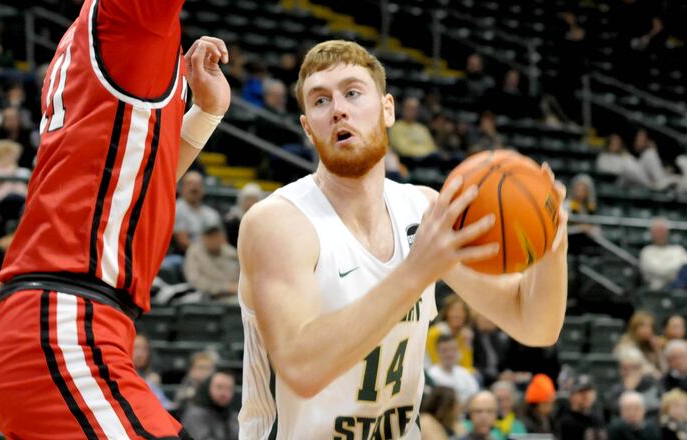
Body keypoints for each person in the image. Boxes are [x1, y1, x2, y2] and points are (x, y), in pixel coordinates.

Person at [237, 40, 569, 439]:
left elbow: (534, 325)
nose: (338, 108)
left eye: (353, 92)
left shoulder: (424, 210)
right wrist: (416, 271)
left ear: (388, 109)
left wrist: (550, 242)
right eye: (320, 101)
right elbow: (302, 369)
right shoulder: (279, 222)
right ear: (308, 128)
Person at [0, 0, 232, 437]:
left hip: (62, 326)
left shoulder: (107, 31)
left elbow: (141, 179)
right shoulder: (129, 16)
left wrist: (206, 115)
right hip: (64, 328)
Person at [183, 218, 239, 301]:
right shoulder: (194, 252)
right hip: (207, 299)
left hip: (233, 297)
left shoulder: (230, 252)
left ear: (223, 236)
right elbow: (194, 280)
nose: (214, 239)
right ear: (202, 237)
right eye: (210, 235)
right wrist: (225, 287)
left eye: (217, 234)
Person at [180, 370, 239, 440]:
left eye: (229, 389)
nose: (224, 393)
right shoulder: (194, 414)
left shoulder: (234, 415)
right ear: (208, 387)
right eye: (219, 387)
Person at [173, 171, 222, 254]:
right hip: (186, 254)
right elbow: (182, 242)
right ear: (182, 188)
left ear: (203, 189)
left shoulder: (211, 213)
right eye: (189, 184)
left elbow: (220, 239)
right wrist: (204, 252)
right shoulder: (176, 208)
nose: (194, 187)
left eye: (198, 184)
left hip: (213, 253)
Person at [604, 348, 662, 417]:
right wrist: (627, 390)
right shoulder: (616, 387)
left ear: (641, 369)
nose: (629, 372)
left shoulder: (650, 384)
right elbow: (611, 407)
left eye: (634, 367)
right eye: (625, 368)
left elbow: (657, 405)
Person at [427, 334, 480, 405]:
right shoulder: (431, 375)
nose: (449, 354)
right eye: (444, 350)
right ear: (437, 352)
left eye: (453, 349)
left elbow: (476, 397)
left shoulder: (465, 373)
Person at [427, 294, 475, 371]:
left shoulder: (465, 335)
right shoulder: (435, 333)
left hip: (456, 374)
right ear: (447, 313)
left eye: (461, 311)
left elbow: (467, 367)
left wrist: (467, 344)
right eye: (453, 311)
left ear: (466, 315)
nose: (457, 314)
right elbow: (437, 363)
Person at [639, 218, 687, 290]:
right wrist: (677, 268)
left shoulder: (678, 249)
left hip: (681, 289)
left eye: (663, 231)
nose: (661, 234)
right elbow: (660, 271)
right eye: (657, 231)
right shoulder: (647, 251)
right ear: (652, 234)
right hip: (656, 292)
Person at [387, 96, 437, 165]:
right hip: (407, 162)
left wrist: (422, 153)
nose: (412, 111)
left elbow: (432, 147)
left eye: (414, 109)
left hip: (426, 160)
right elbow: (403, 149)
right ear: (403, 109)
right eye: (409, 108)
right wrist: (423, 152)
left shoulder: (422, 128)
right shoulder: (396, 127)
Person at [555, 375, 606, 440]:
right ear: (571, 395)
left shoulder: (597, 419)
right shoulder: (564, 421)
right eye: (581, 391)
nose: (586, 395)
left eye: (589, 391)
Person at [132, 333, 172, 409]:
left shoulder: (152, 378)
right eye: (136, 348)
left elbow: (165, 405)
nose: (140, 354)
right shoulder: (120, 374)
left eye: (144, 349)